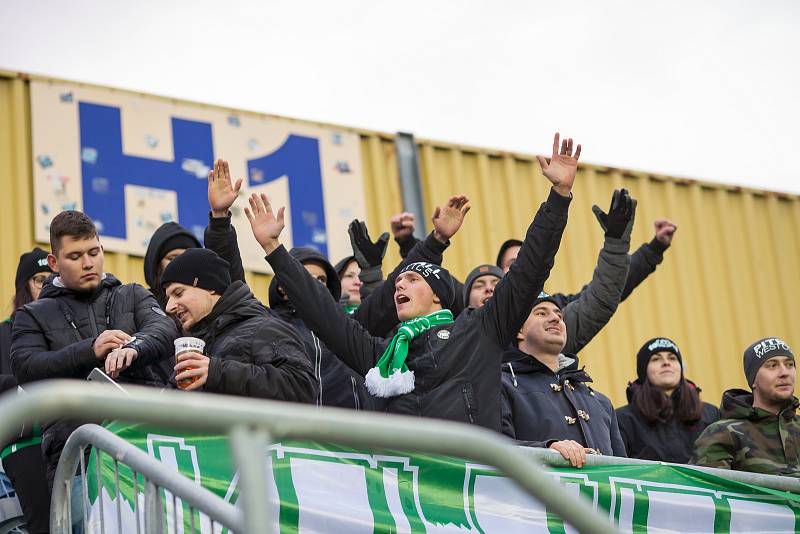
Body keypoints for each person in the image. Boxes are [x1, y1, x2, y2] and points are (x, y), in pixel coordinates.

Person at [247, 132, 579, 429]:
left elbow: (528, 271)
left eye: (412, 279)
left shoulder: (479, 331)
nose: (399, 285)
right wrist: (274, 250)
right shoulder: (380, 354)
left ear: (438, 295)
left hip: (468, 489)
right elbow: (323, 313)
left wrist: (559, 196)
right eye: (398, 281)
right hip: (401, 493)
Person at [10, 210, 178, 491]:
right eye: (75, 257)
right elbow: (26, 368)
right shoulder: (31, 315)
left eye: (94, 252)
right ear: (54, 262)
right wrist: (91, 349)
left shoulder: (133, 293)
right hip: (79, 465)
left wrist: (134, 348)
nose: (88, 263)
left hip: (149, 451)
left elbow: (165, 330)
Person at [161, 248, 317, 402]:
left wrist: (217, 372)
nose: (169, 307)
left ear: (210, 287)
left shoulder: (264, 328)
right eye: (168, 298)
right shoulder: (199, 342)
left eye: (178, 293)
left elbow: (302, 387)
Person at [501, 293, 626, 467]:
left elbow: (625, 471)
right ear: (519, 331)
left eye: (559, 315)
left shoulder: (601, 402)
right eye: (541, 313)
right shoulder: (500, 384)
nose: (555, 318)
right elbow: (491, 449)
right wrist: (547, 450)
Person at [692, 337, 799, 477]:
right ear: (753, 379)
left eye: (790, 364)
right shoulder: (724, 433)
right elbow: (706, 491)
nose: (784, 373)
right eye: (772, 365)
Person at [0, 248, 52, 533]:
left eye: (50, 280)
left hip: (63, 442)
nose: (45, 287)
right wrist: (22, 386)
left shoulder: (62, 329)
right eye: (38, 280)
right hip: (23, 444)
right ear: (24, 287)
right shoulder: (3, 333)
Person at [615, 338, 720, 463]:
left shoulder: (710, 414)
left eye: (672, 358)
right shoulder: (624, 419)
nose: (666, 363)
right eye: (656, 359)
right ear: (644, 371)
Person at [143, 222, 201, 309]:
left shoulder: (207, 304)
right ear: (157, 265)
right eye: (172, 259)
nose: (181, 264)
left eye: (188, 259)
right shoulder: (143, 305)